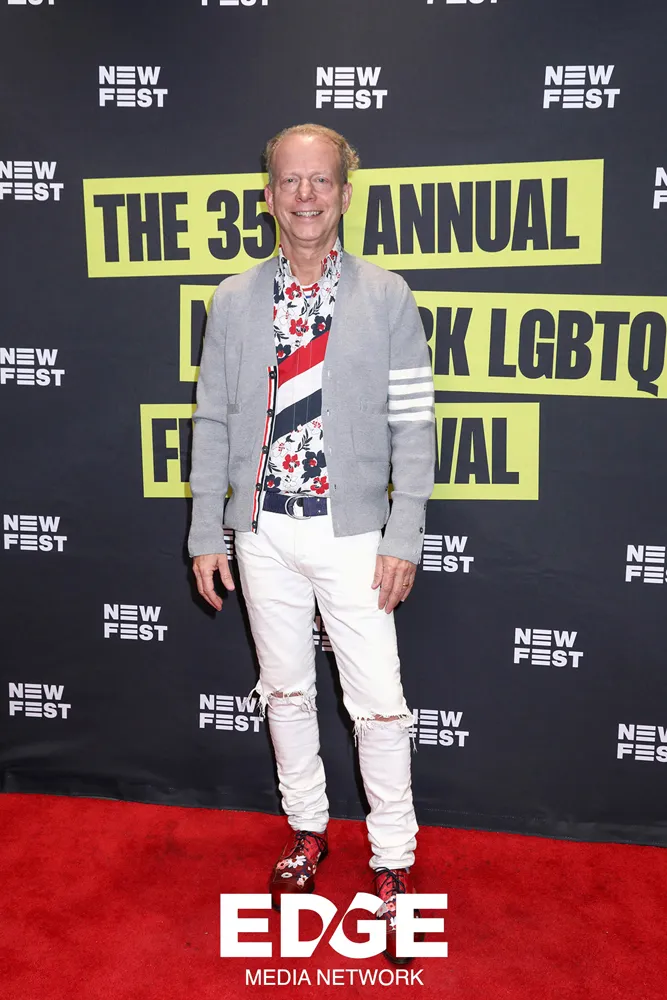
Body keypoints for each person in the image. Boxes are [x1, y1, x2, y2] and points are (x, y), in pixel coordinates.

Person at [188, 124, 435, 964]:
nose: (304, 195)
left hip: (354, 534)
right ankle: (306, 831)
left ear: (343, 193)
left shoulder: (387, 295)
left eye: (320, 181)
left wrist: (404, 531)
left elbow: (414, 423)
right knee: (286, 692)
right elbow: (212, 419)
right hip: (262, 532)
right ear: (268, 197)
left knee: (379, 704)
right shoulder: (232, 299)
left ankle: (393, 861)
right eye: (290, 181)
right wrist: (207, 527)